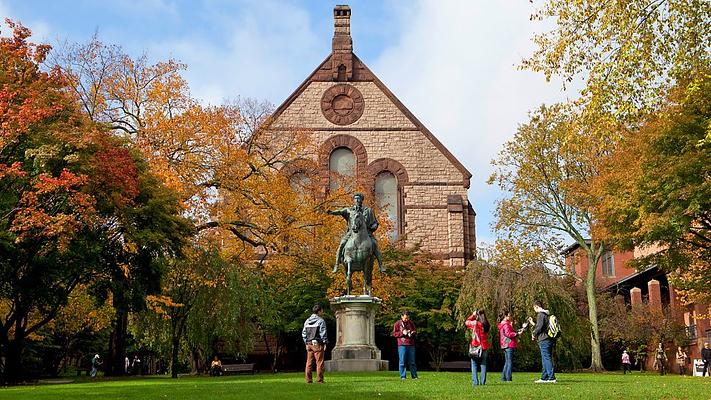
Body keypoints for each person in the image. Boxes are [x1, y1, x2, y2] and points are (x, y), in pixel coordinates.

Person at [328, 192, 384, 273]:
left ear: (362, 200)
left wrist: (374, 226)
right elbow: (340, 211)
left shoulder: (368, 210)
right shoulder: (349, 210)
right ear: (353, 200)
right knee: (342, 244)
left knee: (374, 244)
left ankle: (381, 265)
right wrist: (332, 212)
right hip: (351, 233)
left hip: (367, 233)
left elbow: (374, 222)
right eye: (355, 198)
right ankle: (336, 264)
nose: (357, 200)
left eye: (359, 198)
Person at [529, 300, 556, 383]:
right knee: (545, 358)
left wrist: (534, 334)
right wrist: (533, 323)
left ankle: (551, 377)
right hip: (549, 338)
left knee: (546, 358)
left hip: (544, 339)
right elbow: (542, 326)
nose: (534, 310)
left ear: (536, 306)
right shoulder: (545, 314)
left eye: (534, 308)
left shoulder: (540, 315)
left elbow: (539, 327)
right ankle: (544, 377)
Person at [302, 304, 328, 383]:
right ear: (319, 311)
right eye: (322, 310)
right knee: (319, 362)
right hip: (317, 343)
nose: (322, 312)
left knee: (309, 362)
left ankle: (308, 380)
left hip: (309, 343)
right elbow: (323, 333)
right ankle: (319, 380)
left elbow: (304, 333)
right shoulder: (321, 321)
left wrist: (306, 343)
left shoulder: (307, 320)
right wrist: (324, 342)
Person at [465, 309, 490, 386]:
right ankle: (483, 382)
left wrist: (473, 315)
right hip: (484, 347)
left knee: (474, 365)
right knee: (483, 364)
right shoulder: (486, 324)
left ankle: (475, 382)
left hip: (475, 346)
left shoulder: (475, 323)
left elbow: (466, 322)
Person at [498, 310, 524, 382]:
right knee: (509, 362)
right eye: (509, 316)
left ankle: (504, 378)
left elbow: (509, 332)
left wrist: (516, 330)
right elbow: (508, 334)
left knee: (507, 362)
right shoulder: (506, 324)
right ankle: (508, 378)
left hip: (504, 344)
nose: (510, 317)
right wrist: (517, 334)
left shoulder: (503, 324)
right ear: (505, 316)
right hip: (509, 344)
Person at [392, 310, 418, 380]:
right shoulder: (397, 323)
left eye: (408, 318)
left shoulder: (411, 323)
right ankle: (403, 376)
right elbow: (394, 334)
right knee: (402, 362)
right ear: (402, 317)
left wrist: (412, 332)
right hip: (402, 345)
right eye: (405, 318)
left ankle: (414, 376)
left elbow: (415, 331)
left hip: (411, 344)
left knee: (412, 362)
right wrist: (402, 333)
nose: (406, 319)